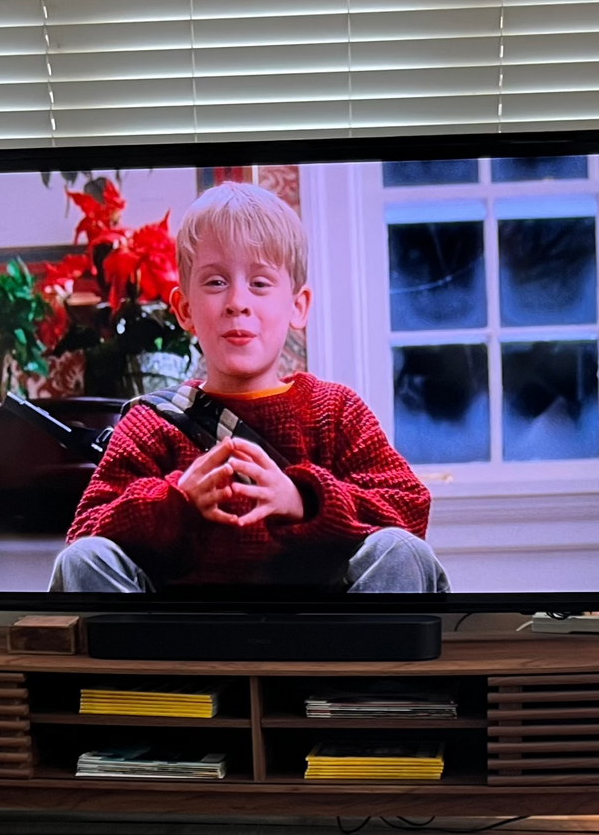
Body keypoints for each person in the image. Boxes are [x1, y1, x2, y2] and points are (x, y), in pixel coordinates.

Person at [51, 181, 448, 596]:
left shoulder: (335, 411)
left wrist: (304, 499)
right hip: (178, 638)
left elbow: (408, 506)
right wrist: (176, 501)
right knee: (84, 559)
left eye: (260, 283)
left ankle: (369, 662)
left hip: (327, 634)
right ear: (185, 310)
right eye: (215, 282)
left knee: (401, 550)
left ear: (298, 306)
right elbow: (85, 532)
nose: (237, 301)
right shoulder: (150, 424)